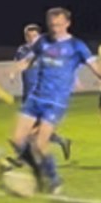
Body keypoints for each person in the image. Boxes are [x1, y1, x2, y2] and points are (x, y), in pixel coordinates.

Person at [7, 7, 101, 193]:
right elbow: (28, 60)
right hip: (35, 97)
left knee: (40, 144)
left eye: (59, 25)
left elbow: (98, 69)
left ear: (68, 24)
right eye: (52, 25)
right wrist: (14, 69)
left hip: (56, 101)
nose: (55, 29)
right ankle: (38, 171)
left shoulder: (77, 46)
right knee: (16, 140)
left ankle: (54, 179)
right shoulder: (42, 41)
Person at [15, 23, 71, 159]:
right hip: (27, 93)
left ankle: (23, 158)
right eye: (28, 36)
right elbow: (19, 64)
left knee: (29, 129)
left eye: (34, 36)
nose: (31, 38)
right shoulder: (22, 50)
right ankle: (61, 141)